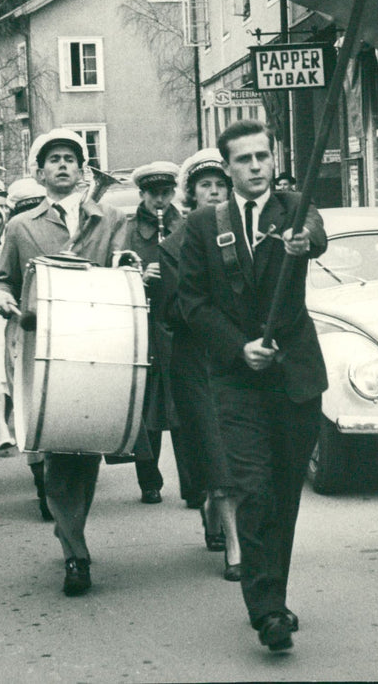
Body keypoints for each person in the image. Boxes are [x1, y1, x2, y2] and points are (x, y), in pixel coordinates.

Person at [177, 120, 328, 652]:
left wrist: (303, 243)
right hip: (238, 380)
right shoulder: (201, 226)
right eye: (244, 160)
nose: (257, 166)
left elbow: (315, 233)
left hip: (297, 378)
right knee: (255, 491)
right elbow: (191, 302)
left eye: (263, 156)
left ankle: (275, 596)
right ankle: (266, 610)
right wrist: (239, 347)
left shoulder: (295, 206)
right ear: (228, 168)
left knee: (285, 494)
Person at [0, 129, 128, 596]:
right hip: (42, 346)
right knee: (57, 449)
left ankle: (73, 531)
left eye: (71, 158)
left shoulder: (108, 218)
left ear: (81, 169)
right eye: (55, 160)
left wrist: (130, 270)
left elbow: (122, 266)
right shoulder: (21, 226)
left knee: (85, 446)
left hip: (97, 343)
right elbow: (0, 281)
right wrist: (4, 300)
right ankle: (75, 552)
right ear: (40, 172)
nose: (64, 166)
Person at [158, 148, 242, 581]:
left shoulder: (243, 234)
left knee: (240, 453)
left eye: (220, 184)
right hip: (198, 363)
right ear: (190, 194)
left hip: (242, 360)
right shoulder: (174, 244)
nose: (214, 191)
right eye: (205, 185)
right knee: (216, 451)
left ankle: (215, 509)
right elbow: (172, 310)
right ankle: (235, 547)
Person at [124, 161, 200, 507]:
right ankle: (149, 481)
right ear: (142, 194)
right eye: (153, 194)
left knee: (184, 408)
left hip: (178, 326)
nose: (159, 200)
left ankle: (192, 485)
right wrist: (137, 277)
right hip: (141, 326)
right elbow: (114, 271)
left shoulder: (185, 225)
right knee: (146, 408)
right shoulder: (126, 230)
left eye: (166, 193)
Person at [0, 177, 44, 453]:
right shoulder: (7, 241)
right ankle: (35, 463)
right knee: (22, 389)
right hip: (17, 321)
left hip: (50, 319)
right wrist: (1, 294)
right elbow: (2, 280)